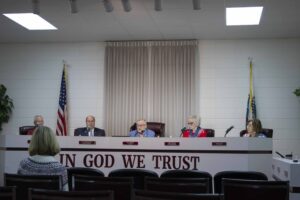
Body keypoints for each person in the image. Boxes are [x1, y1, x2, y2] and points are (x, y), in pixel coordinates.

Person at [18, 126, 68, 190]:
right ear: (53, 142)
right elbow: (65, 195)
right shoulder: (60, 169)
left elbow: (19, 190)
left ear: (33, 141)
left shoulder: (23, 164)